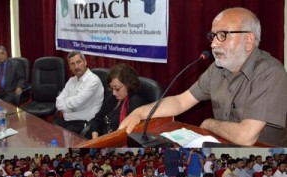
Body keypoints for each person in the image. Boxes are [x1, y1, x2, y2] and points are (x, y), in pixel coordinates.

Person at [119, 7, 287, 146]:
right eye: (212, 36)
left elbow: (246, 136)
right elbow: (180, 101)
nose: (213, 44)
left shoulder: (271, 72)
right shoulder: (217, 69)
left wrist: (209, 124)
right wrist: (140, 112)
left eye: (222, 35)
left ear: (248, 40)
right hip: (223, 144)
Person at [87, 63, 145, 139]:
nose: (114, 93)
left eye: (117, 89)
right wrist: (95, 138)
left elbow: (128, 133)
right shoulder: (112, 97)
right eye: (111, 88)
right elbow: (97, 119)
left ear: (128, 85)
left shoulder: (135, 101)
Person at [54, 50, 104, 134]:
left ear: (85, 62)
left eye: (79, 62)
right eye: (72, 64)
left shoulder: (93, 80)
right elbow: (58, 102)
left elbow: (78, 102)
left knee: (63, 136)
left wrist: (66, 102)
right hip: (69, 119)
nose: (76, 66)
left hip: (85, 122)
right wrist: (71, 102)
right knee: (51, 129)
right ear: (69, 67)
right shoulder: (71, 80)